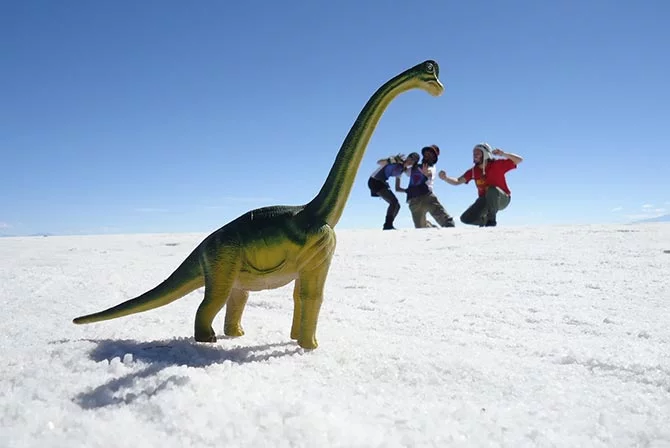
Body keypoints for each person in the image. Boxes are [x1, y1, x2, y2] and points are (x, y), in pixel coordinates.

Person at [438, 142, 523, 227]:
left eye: (477, 153)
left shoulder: (496, 165)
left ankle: (491, 221)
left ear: (485, 154)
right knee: (465, 218)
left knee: (491, 189)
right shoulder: (473, 171)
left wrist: (503, 154)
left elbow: (519, 160)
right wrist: (445, 178)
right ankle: (485, 221)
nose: (474, 155)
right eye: (474, 153)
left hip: (502, 199)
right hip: (485, 200)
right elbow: (457, 181)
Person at [395, 144, 455, 229]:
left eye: (430, 154)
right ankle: (431, 227)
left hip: (427, 197)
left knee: (448, 223)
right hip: (413, 200)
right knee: (421, 229)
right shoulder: (414, 168)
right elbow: (400, 172)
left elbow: (430, 173)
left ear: (434, 158)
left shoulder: (431, 167)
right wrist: (402, 165)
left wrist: (426, 173)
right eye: (426, 153)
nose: (427, 155)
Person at [368, 152, 420, 230]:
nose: (411, 161)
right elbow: (379, 162)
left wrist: (408, 191)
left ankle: (389, 225)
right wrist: (390, 160)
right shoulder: (396, 160)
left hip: (382, 183)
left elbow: (397, 188)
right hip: (374, 181)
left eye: (414, 161)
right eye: (411, 158)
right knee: (394, 202)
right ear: (408, 157)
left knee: (397, 205)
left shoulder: (401, 171)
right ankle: (387, 226)